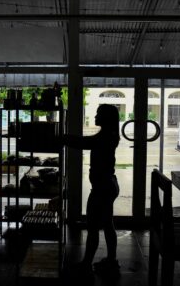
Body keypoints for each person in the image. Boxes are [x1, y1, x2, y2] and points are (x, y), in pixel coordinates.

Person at [62, 104, 121, 276]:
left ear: (107, 118)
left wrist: (65, 138)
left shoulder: (105, 137)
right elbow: (88, 141)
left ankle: (86, 264)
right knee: (107, 224)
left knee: (93, 226)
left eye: (98, 114)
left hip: (102, 188)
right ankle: (111, 260)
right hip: (109, 184)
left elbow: (85, 142)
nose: (95, 116)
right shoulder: (109, 134)